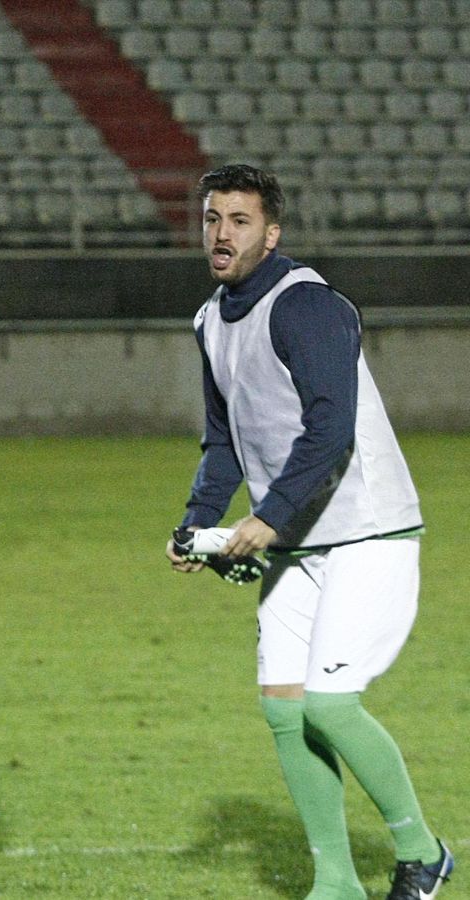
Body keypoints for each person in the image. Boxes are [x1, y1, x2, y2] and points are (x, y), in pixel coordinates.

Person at [164, 164, 450, 900]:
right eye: (212, 219)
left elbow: (331, 432)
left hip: (367, 534)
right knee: (283, 708)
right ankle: (336, 882)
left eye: (239, 220)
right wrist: (196, 523)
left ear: (273, 232)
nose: (221, 234)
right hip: (293, 543)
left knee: (329, 706)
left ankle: (422, 851)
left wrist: (266, 516)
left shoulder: (308, 305)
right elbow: (223, 437)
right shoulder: (208, 319)